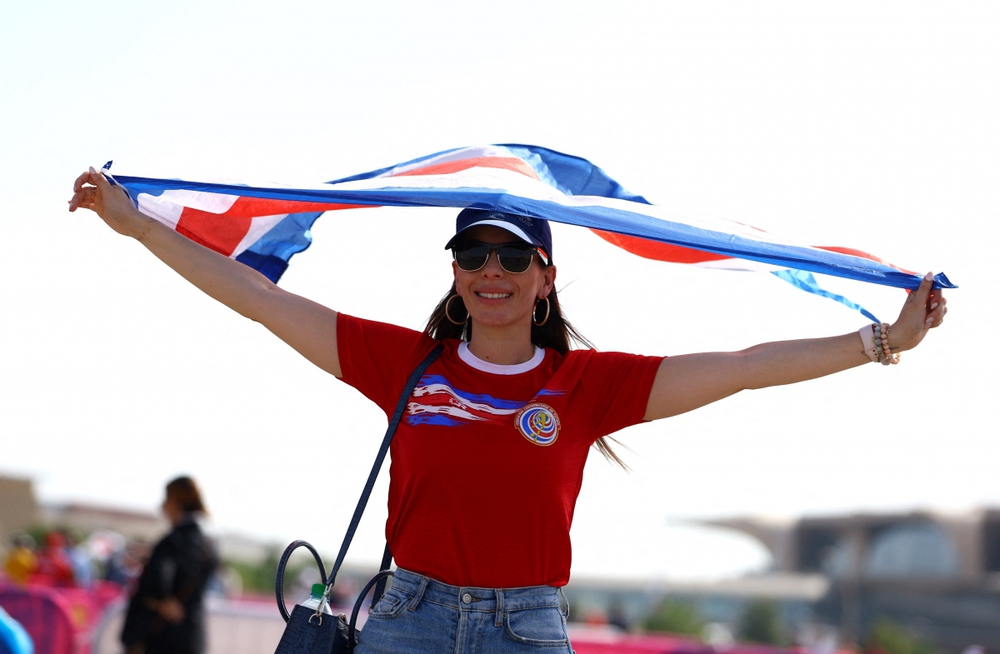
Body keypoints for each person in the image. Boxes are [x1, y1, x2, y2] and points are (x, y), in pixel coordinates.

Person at [69, 169, 946, 653]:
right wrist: (138, 225)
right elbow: (258, 302)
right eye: (472, 254)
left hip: (526, 629)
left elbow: (745, 367)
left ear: (545, 278)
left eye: (512, 256)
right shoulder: (404, 362)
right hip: (406, 619)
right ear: (455, 272)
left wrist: (884, 341)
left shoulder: (588, 385)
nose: (491, 270)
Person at [120, 476, 218, 654]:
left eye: (166, 498)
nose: (162, 505)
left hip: (160, 639)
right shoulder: (209, 543)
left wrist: (161, 599)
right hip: (191, 636)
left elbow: (161, 573)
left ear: (174, 501)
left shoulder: (173, 541)